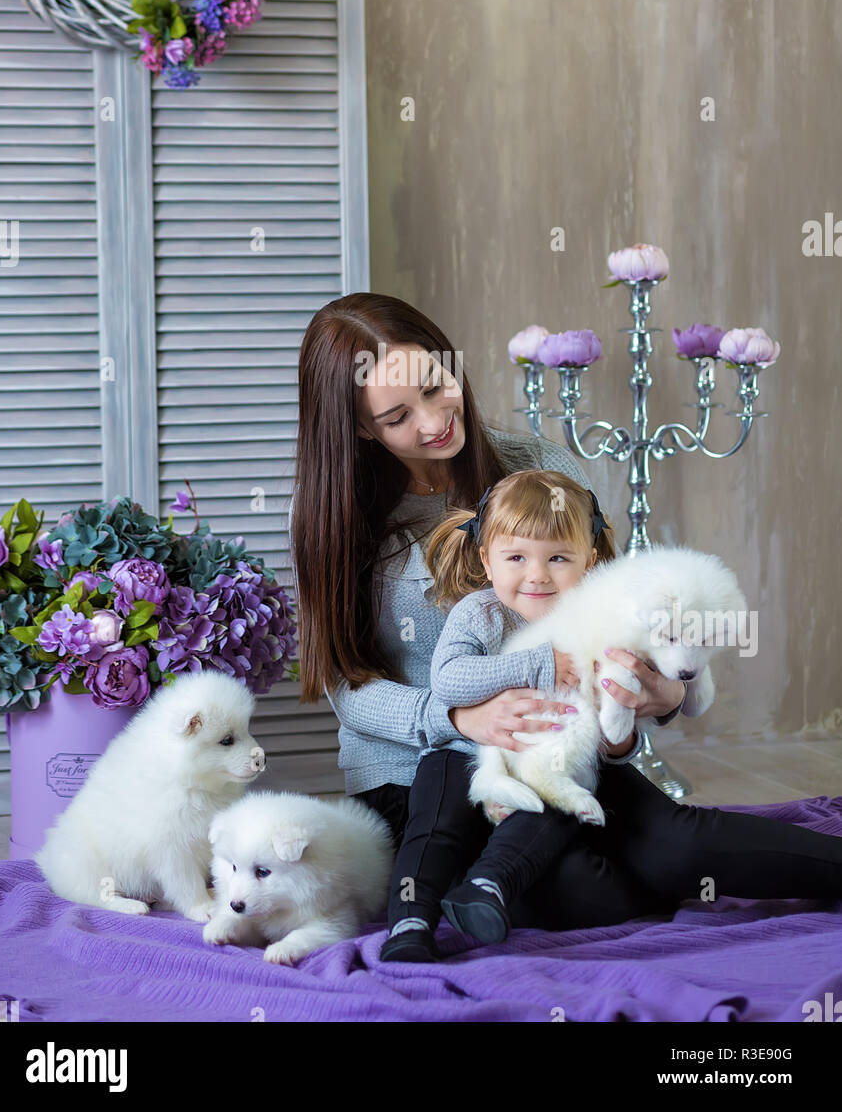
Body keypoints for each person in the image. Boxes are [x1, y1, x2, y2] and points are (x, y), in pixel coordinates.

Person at [292, 292, 842, 955]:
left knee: (675, 846)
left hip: (555, 745)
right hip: (415, 772)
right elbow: (348, 689)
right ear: (359, 428)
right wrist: (460, 720)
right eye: (399, 415)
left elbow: (615, 614)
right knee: (580, 888)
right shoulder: (340, 520)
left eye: (438, 387)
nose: (437, 420)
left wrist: (660, 697)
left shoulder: (541, 469)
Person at [379, 468, 619, 961]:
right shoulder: (478, 612)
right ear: (486, 560)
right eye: (516, 557)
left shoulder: (591, 618)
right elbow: (448, 681)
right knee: (435, 828)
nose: (537, 574)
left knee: (548, 812)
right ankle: (409, 920)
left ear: (589, 563)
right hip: (459, 752)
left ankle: (487, 888)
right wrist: (536, 662)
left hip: (540, 759)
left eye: (558, 558)